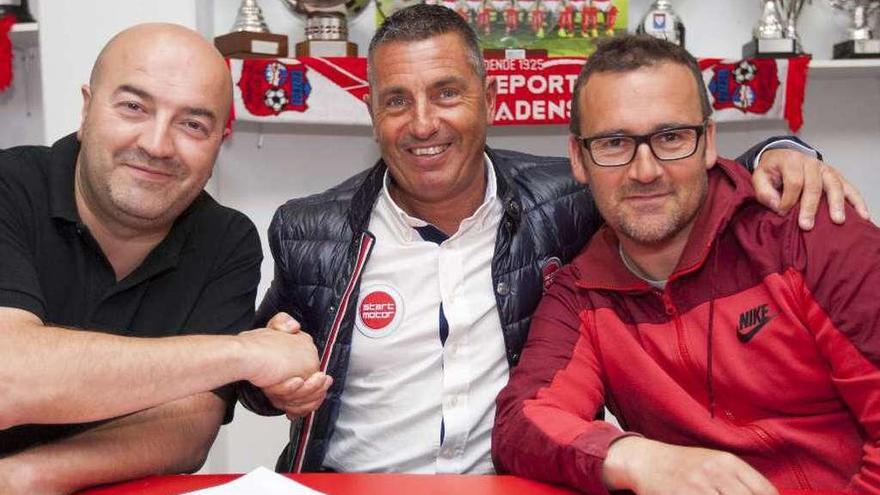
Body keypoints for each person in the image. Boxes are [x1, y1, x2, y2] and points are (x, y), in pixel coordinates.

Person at [241, 4, 868, 475]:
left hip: (508, 488)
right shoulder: (310, 228)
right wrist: (268, 375)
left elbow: (676, 184)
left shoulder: (564, 203)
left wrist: (783, 152)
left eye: (447, 93)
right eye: (396, 101)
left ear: (489, 100)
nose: (423, 123)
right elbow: (262, 374)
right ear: (372, 113)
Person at [492, 34, 879, 494]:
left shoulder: (813, 231)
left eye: (671, 137)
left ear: (709, 142)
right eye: (615, 142)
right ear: (579, 157)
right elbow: (522, 424)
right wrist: (633, 457)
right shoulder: (579, 297)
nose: (646, 170)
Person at [0, 24, 325, 494]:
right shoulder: (9, 189)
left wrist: (27, 476)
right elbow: (10, 378)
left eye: (193, 124)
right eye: (134, 107)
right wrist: (243, 353)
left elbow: (189, 429)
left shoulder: (226, 239)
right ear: (87, 108)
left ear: (220, 139)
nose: (156, 145)